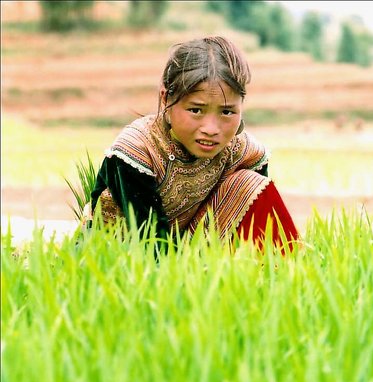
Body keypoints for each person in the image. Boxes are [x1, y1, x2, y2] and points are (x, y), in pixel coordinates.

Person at [87, 36, 299, 251]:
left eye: (227, 112)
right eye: (196, 110)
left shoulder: (243, 151)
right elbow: (149, 242)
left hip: (185, 251)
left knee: (251, 183)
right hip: (123, 251)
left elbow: (257, 223)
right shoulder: (137, 150)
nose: (211, 129)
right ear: (165, 99)